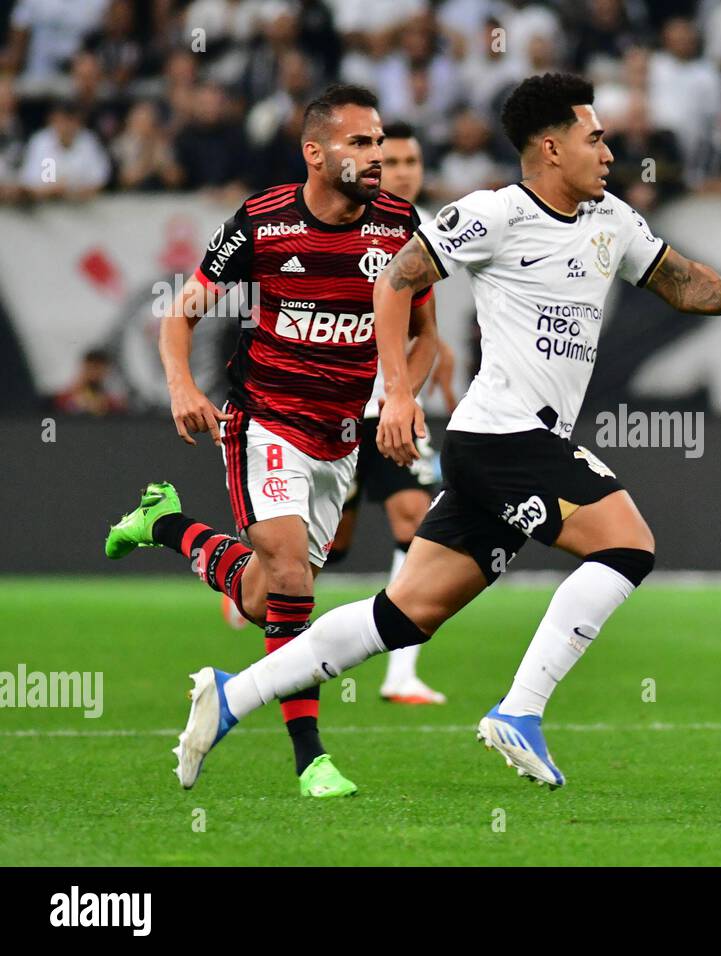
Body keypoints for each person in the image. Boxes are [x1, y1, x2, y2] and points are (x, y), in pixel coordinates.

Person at [171, 72, 721, 792]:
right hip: (503, 435)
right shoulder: (494, 214)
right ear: (553, 149)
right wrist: (399, 395)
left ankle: (233, 694)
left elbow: (679, 280)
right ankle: (521, 711)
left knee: (403, 615)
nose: (608, 151)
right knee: (628, 543)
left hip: (503, 449)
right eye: (595, 138)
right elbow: (396, 280)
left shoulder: (612, 220)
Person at [104, 85, 437, 798]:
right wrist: (182, 388)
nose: (375, 156)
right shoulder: (264, 221)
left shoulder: (401, 227)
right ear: (315, 153)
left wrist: (402, 398)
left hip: (341, 439)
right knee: (290, 577)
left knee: (262, 597)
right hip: (265, 419)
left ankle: (165, 523)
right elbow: (179, 315)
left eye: (379, 142)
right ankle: (309, 757)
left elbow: (424, 335)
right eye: (359, 143)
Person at [325, 120, 456, 706]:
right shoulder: (342, 216)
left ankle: (400, 673)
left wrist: (413, 390)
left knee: (414, 518)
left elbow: (425, 323)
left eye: (411, 161)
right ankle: (245, 568)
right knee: (332, 546)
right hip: (330, 407)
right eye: (392, 160)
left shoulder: (423, 230)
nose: (402, 171)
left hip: (389, 408)